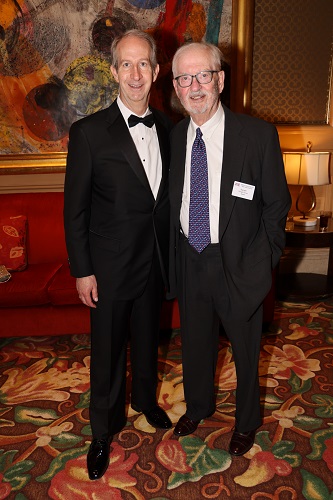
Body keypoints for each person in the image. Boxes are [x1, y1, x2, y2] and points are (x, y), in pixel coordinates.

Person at [168, 42, 291, 456]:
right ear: (176, 87)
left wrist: (265, 259)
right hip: (191, 256)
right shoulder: (174, 138)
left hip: (240, 262)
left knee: (245, 349)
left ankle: (246, 421)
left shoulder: (257, 135)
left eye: (203, 75)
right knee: (196, 342)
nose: (195, 86)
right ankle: (198, 405)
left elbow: (277, 205)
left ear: (220, 80)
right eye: (185, 78)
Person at [64, 29, 173, 481]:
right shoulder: (89, 133)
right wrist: (83, 270)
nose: (134, 73)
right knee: (108, 353)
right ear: (113, 72)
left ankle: (145, 401)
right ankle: (103, 430)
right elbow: (75, 210)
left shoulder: (171, 128)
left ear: (156, 71)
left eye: (142, 63)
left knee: (149, 341)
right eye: (125, 64)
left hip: (157, 263)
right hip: (108, 269)